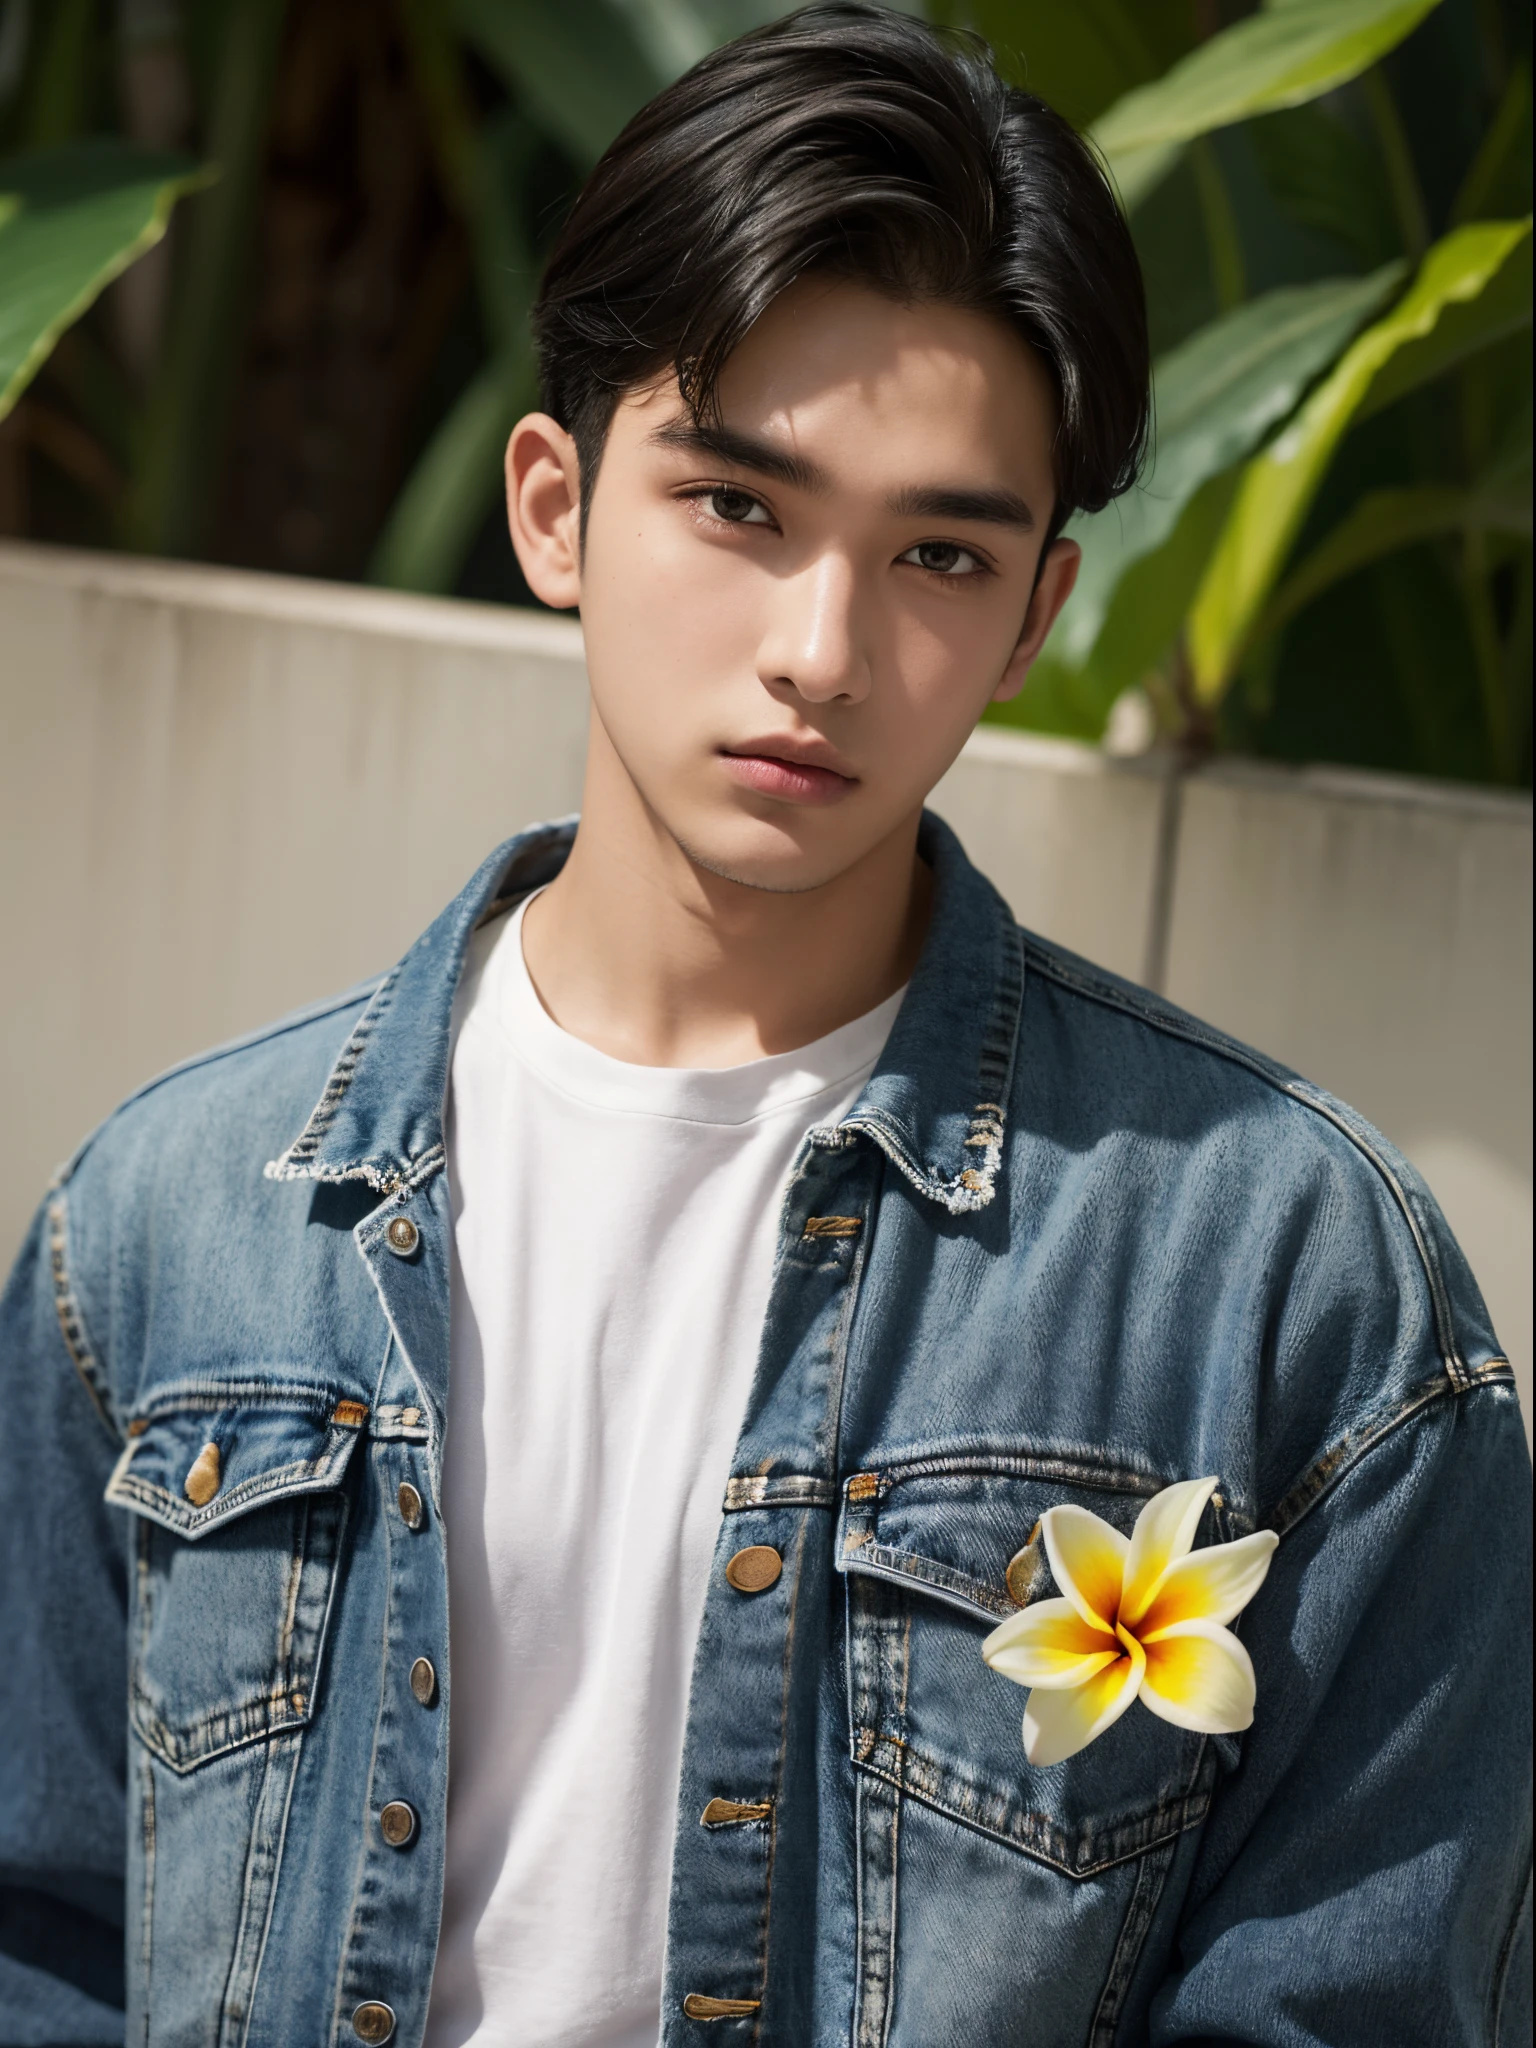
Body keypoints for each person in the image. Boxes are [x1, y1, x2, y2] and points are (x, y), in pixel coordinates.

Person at [2, 7, 1530, 2045]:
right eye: (740, 507)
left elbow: (1361, 2000)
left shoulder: (1279, 1274)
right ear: (556, 506)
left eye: (936, 554)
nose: (823, 650)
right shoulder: (169, 1227)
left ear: (1035, 619)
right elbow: (47, 1942)